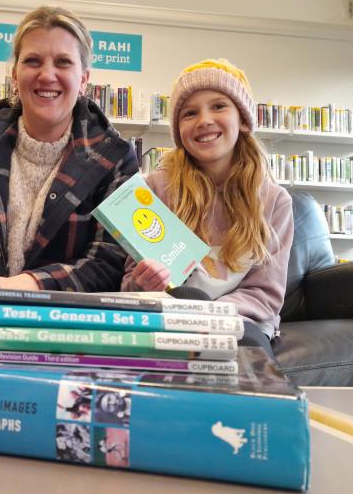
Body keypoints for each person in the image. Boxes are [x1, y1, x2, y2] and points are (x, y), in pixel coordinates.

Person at [0, 6, 139, 292]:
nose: (47, 75)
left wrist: (30, 284)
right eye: (33, 61)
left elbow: (109, 262)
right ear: (15, 74)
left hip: (68, 328)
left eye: (63, 62)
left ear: (84, 78)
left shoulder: (115, 157)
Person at [121, 59, 294, 358]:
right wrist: (141, 282)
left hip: (239, 323)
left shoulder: (275, 201)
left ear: (242, 119)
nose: (204, 120)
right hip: (171, 317)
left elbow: (264, 295)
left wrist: (207, 317)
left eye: (218, 106)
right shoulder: (154, 191)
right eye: (190, 113)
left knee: (239, 349)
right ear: (178, 130)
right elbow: (129, 283)